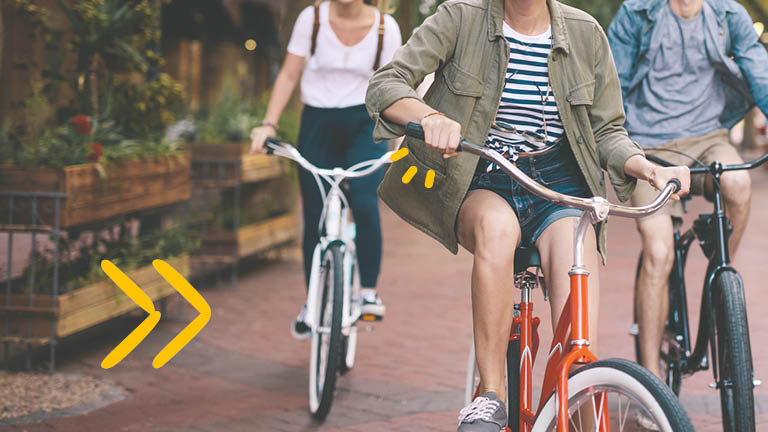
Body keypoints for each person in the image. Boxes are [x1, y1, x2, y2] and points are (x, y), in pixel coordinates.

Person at [366, 0, 690, 429]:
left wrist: (644, 165)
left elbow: (608, 130)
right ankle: (492, 394)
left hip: (560, 183)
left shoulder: (585, 33)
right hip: (485, 172)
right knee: (497, 230)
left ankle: (576, 391)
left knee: (576, 272)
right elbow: (386, 84)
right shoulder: (459, 17)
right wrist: (429, 116)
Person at [609, 0, 768, 379]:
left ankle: (719, 282)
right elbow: (610, 86)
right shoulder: (638, 12)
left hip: (708, 140)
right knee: (659, 251)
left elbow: (760, 74)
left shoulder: (728, 14)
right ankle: (651, 387)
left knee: (738, 181)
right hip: (650, 150)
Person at [250, 0, 401, 339]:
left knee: (364, 201)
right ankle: (312, 300)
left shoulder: (384, 28)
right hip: (317, 122)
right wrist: (268, 125)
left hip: (366, 124)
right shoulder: (312, 19)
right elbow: (290, 73)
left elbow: (398, 84)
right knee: (316, 214)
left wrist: (414, 126)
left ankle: (368, 292)